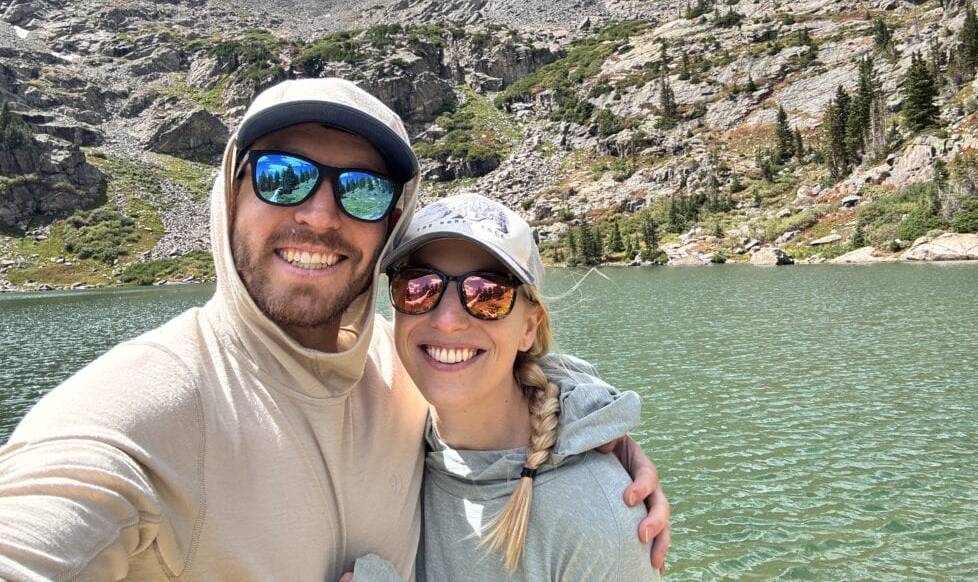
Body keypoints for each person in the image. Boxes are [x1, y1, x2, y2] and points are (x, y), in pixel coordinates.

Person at [0, 77, 669, 581]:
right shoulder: (146, 404)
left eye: (363, 190)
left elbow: (491, 369)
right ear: (231, 193)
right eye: (282, 176)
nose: (320, 215)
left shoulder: (405, 370)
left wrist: (592, 441)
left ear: (387, 225)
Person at [364, 192, 664, 581]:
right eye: (418, 286)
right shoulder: (380, 403)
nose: (448, 320)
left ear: (528, 326)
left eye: (488, 294)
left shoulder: (596, 519)